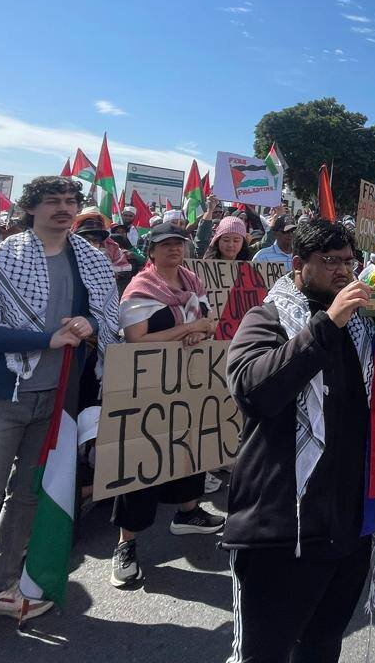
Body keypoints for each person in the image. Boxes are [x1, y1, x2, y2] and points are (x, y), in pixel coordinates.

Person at [0, 176, 119, 660]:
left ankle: (0, 588)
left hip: (57, 400)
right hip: (1, 396)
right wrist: (45, 340)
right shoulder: (1, 257)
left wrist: (91, 325)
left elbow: (107, 317)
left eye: (70, 202)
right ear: (30, 208)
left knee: (26, 498)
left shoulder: (90, 259)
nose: (63, 209)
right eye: (52, 202)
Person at [223, 219, 375, 663]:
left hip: (346, 525)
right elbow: (254, 391)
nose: (344, 272)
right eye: (330, 261)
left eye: (349, 261)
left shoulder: (361, 326)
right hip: (280, 527)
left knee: (322, 646)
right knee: (264, 654)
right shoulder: (268, 317)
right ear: (297, 265)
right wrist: (327, 324)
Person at [109, 223, 224, 587]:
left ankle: (187, 513)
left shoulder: (192, 281)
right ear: (152, 250)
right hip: (147, 383)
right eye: (166, 244)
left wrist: (201, 330)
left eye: (179, 243)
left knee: (188, 447)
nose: (174, 249)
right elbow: (136, 340)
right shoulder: (140, 288)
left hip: (187, 378)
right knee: (144, 458)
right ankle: (126, 545)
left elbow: (208, 324)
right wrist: (186, 331)